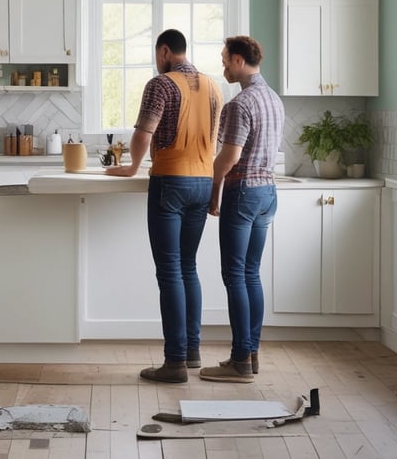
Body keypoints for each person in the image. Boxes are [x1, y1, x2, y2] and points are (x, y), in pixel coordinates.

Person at [107, 29, 223, 383]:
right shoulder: (214, 86)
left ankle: (173, 363)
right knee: (188, 266)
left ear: (164, 52)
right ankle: (192, 352)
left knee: (170, 270)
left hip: (171, 181)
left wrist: (132, 166)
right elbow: (216, 140)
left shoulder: (161, 84)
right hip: (203, 182)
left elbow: (144, 133)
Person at [199, 35, 284, 383]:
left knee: (234, 275)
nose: (223, 68)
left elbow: (229, 157)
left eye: (224, 61)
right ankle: (251, 353)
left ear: (238, 60)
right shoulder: (274, 99)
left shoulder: (241, 104)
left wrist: (213, 191)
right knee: (251, 274)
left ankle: (239, 361)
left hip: (244, 191)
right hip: (268, 193)